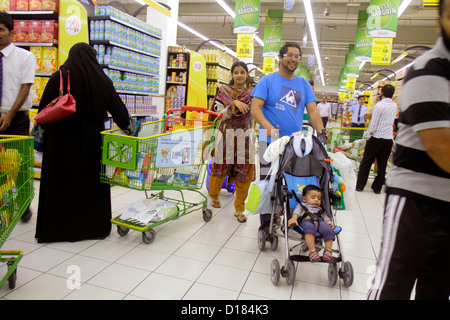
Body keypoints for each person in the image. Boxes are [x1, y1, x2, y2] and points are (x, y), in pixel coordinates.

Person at [368, 0, 450, 300]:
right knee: (392, 288)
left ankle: (373, 184)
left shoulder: (379, 105)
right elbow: (443, 148)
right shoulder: (428, 71)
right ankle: (375, 185)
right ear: (440, 22)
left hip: (379, 137)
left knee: (438, 289)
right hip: (418, 201)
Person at [34, 43, 140, 243]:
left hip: (59, 146)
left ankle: (57, 230)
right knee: (89, 184)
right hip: (90, 145)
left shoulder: (59, 78)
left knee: (60, 184)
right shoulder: (101, 80)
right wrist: (133, 129)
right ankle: (91, 228)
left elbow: (42, 112)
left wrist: (39, 141)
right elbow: (120, 112)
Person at [251, 42, 327, 180]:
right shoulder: (267, 81)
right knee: (267, 183)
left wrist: (321, 130)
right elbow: (255, 108)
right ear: (280, 57)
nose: (294, 59)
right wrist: (268, 127)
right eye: (290, 55)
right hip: (268, 142)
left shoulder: (304, 84)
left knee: (291, 183)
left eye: (297, 57)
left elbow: (313, 111)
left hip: (294, 144)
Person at [0, 12, 36, 222]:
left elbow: (25, 87)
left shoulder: (25, 57)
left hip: (17, 118)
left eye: (1, 30)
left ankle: (23, 202)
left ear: (12, 32)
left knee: (20, 163)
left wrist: (10, 115)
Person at [208, 61, 254, 223]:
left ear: (247, 74)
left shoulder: (253, 94)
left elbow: (257, 112)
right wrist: (233, 105)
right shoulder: (223, 91)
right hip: (225, 137)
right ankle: (214, 196)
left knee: (244, 173)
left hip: (245, 139)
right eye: (236, 72)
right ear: (232, 75)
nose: (239, 75)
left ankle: (239, 208)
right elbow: (216, 115)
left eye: (242, 72)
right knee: (219, 167)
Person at [356, 84, 397, 194]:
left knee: (366, 162)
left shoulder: (379, 106)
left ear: (381, 93)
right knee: (382, 164)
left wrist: (369, 136)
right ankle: (377, 188)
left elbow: (373, 124)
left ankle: (360, 186)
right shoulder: (394, 106)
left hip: (376, 137)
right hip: (388, 139)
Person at [287, 185, 335, 262]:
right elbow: (296, 213)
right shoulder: (301, 205)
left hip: (320, 221)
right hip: (306, 221)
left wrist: (328, 222)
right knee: (309, 229)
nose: (316, 200)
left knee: (329, 230)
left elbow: (325, 216)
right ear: (304, 199)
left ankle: (328, 251)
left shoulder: (320, 209)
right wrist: (293, 219)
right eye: (313, 198)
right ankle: (312, 251)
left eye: (319, 198)